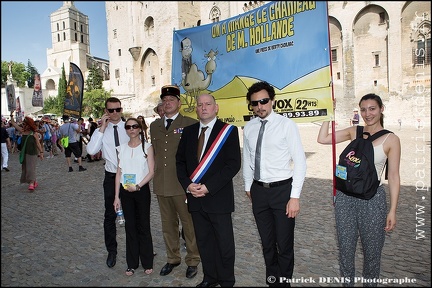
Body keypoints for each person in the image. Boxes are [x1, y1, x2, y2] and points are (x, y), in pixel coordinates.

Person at [317, 93, 401, 286]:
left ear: (381, 109)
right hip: (345, 199)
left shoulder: (391, 140)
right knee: (346, 252)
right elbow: (323, 139)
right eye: (363, 109)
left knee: (372, 255)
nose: (367, 113)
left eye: (372, 109)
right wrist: (328, 113)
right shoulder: (354, 131)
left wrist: (393, 210)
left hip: (372, 201)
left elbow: (394, 176)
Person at [242, 81, 307, 287]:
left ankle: (284, 283)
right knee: (267, 244)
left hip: (283, 192)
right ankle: (273, 282)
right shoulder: (249, 127)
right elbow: (248, 159)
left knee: (284, 245)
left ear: (272, 101)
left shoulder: (286, 125)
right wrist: (247, 186)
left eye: (264, 101)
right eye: (255, 103)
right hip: (259, 192)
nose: (259, 106)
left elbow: (300, 161)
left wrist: (294, 196)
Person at [176, 94, 241, 287]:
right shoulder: (188, 132)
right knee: (204, 242)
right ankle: (210, 278)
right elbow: (179, 163)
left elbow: (233, 164)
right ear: (196, 109)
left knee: (224, 243)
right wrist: (188, 184)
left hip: (218, 198)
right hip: (195, 198)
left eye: (208, 104)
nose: (204, 107)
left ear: (216, 107)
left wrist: (208, 187)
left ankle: (227, 280)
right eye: (200, 105)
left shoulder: (228, 131)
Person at [149, 84, 201, 279]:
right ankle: (173, 258)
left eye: (171, 100)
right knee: (168, 225)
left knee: (188, 224)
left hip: (182, 184)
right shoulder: (154, 126)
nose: (167, 103)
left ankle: (193, 259)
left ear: (179, 103)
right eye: (165, 100)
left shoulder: (190, 124)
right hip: (162, 184)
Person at [86, 97, 129, 268]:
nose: (114, 113)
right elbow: (91, 150)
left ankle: (139, 248)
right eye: (110, 110)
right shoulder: (101, 131)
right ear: (106, 111)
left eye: (117, 109)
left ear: (121, 109)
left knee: (135, 214)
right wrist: (102, 128)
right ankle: (112, 251)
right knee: (110, 215)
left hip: (129, 176)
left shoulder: (130, 127)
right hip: (111, 176)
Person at [113, 117, 155, 276]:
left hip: (141, 190)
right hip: (125, 191)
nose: (131, 129)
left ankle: (147, 262)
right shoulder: (121, 148)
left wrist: (138, 186)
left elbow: (152, 171)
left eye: (135, 126)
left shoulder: (147, 147)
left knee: (143, 226)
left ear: (139, 128)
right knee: (130, 227)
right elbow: (118, 173)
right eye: (128, 127)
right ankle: (131, 263)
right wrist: (116, 197)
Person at [9, 114, 44, 190]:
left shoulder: (34, 133)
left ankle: (31, 183)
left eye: (24, 124)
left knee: (31, 168)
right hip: (25, 152)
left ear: (28, 124)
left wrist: (41, 153)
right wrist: (11, 116)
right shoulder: (23, 131)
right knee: (25, 168)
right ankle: (33, 181)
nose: (23, 125)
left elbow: (38, 143)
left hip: (32, 153)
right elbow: (14, 124)